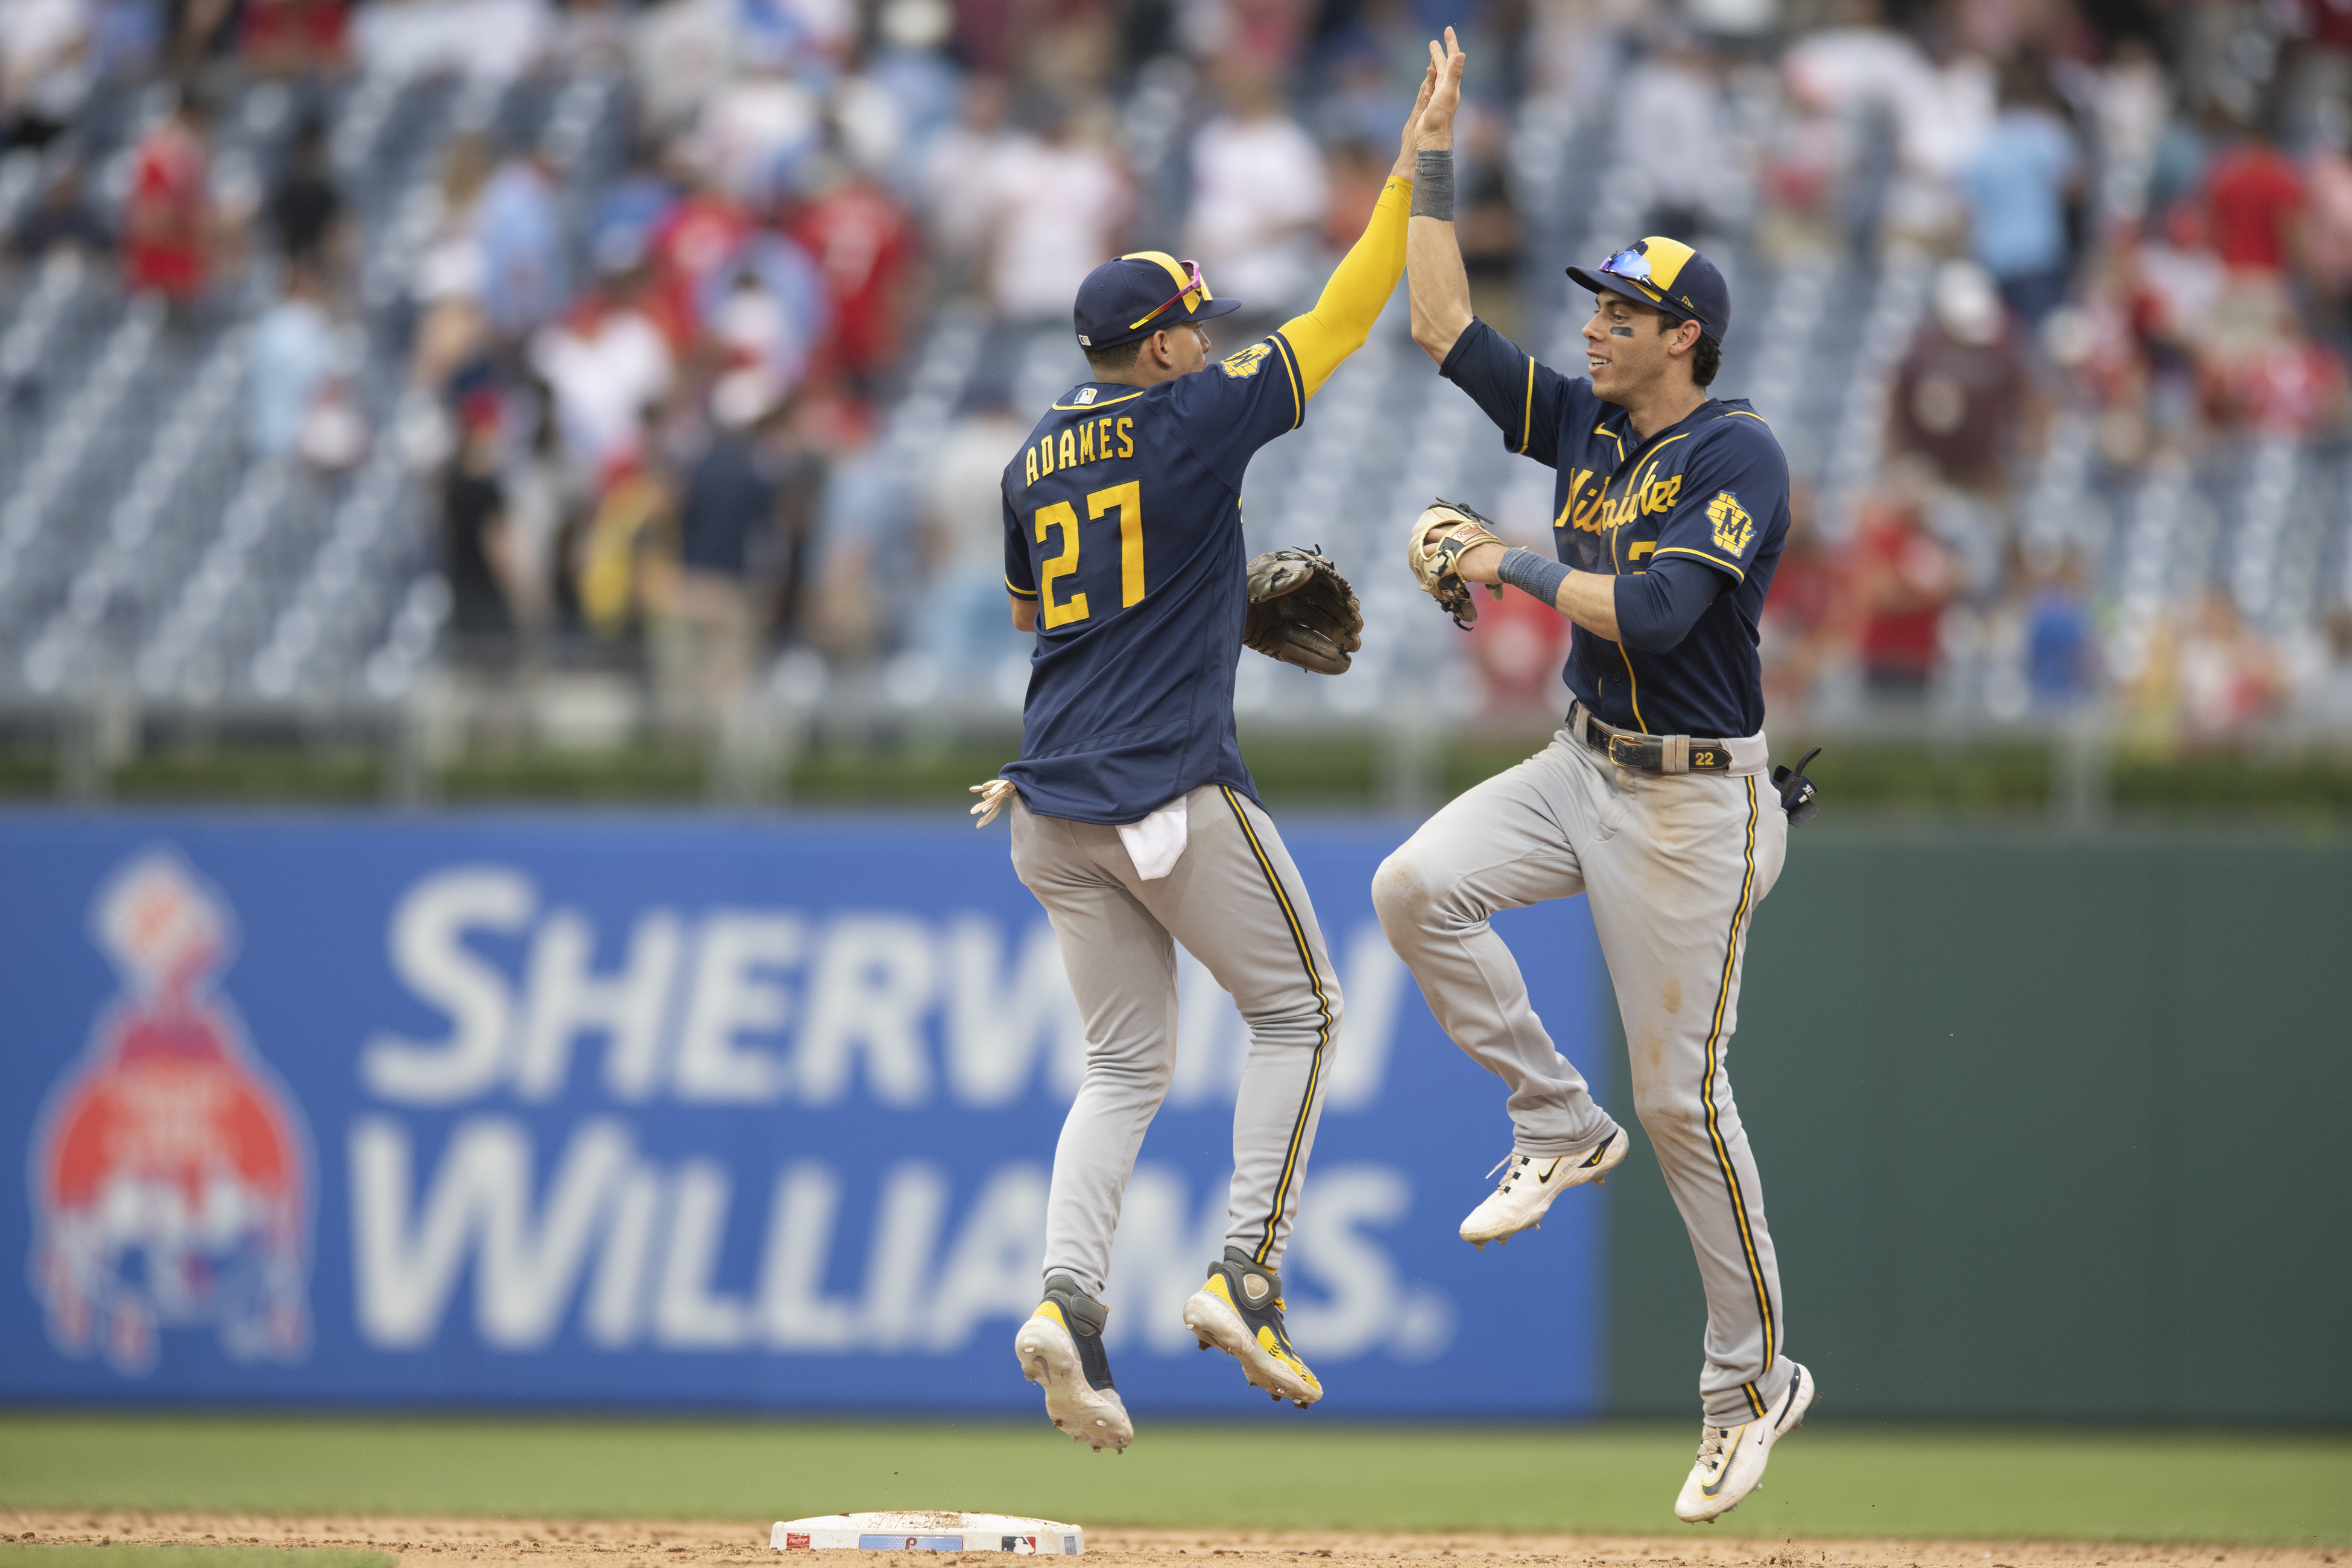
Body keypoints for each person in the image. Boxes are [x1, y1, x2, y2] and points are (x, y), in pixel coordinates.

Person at [1371, 30, 1812, 1526]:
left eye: (1627, 310)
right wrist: (1431, 152)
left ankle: (1753, 1379)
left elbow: (1665, 612)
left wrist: (1497, 559)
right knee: (1414, 885)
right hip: (1584, 763)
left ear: (1687, 334)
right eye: (1602, 307)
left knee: (1685, 1101)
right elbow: (1438, 320)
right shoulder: (1591, 429)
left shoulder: (1734, 453)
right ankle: (1553, 1123)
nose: (1600, 326)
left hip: (1695, 802)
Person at [975, 67, 1435, 1456]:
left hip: (1047, 798)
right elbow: (1351, 311)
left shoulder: (1028, 462)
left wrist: (1206, 604)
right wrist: (1417, 170)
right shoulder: (1196, 415)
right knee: (1302, 1012)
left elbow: (1039, 617)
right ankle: (1247, 1272)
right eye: (1193, 322)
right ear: (1163, 346)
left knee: (1120, 1068)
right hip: (1164, 786)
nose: (1207, 336)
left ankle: (1067, 1303)